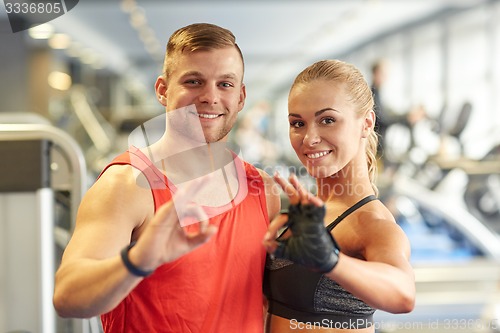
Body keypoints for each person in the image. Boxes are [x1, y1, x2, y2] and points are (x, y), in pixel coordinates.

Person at [53, 23, 281, 333]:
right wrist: (138, 261)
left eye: (225, 84)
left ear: (241, 96)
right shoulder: (127, 185)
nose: (210, 97)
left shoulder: (262, 189)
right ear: (163, 90)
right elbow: (68, 297)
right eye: (194, 81)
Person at [263, 59, 415, 332]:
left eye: (328, 120)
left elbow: (403, 293)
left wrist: (331, 260)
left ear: (366, 123)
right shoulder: (309, 210)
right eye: (298, 123)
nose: (309, 138)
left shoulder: (370, 221)